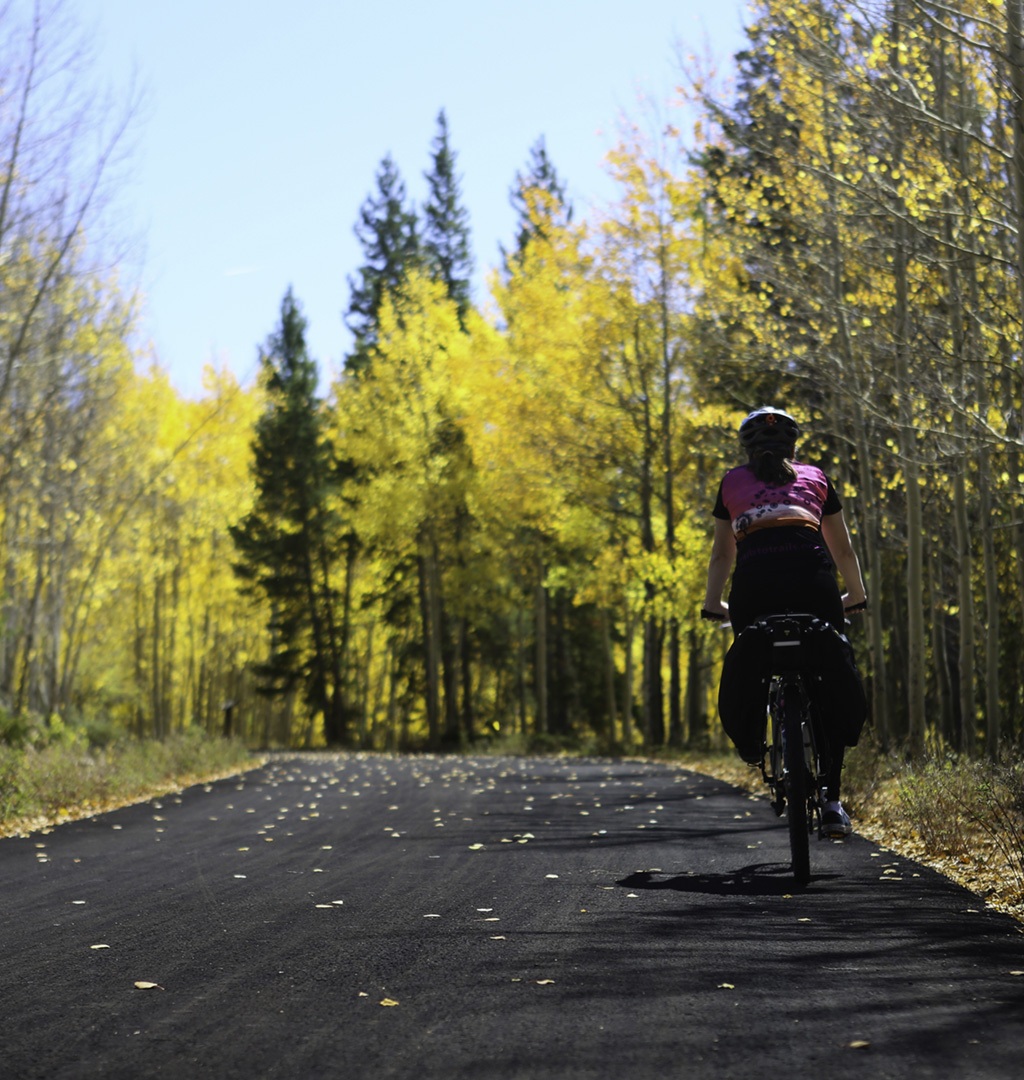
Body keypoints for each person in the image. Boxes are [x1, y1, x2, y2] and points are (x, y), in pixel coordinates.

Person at [701, 406, 868, 838]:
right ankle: (832, 801)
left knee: (753, 662)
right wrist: (856, 594)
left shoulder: (731, 483)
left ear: (747, 449)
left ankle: (755, 738)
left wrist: (712, 602)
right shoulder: (817, 478)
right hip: (815, 587)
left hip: (754, 591)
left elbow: (722, 554)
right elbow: (843, 550)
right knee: (828, 677)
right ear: (794, 446)